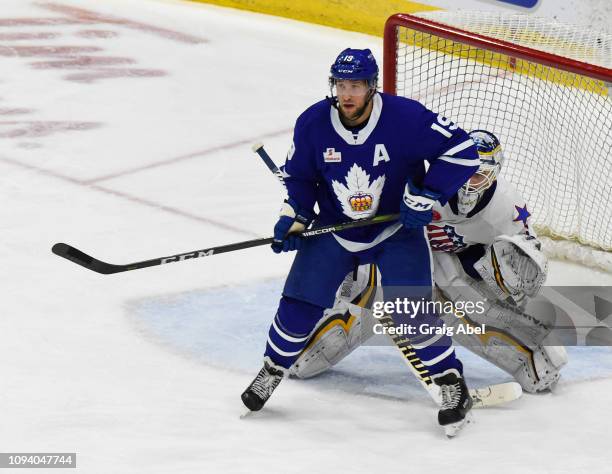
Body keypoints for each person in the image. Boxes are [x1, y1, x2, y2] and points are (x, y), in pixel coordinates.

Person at [241, 48, 480, 436]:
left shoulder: (405, 117)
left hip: (395, 231)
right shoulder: (313, 122)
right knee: (299, 304)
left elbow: (462, 151)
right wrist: (294, 217)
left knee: (410, 312)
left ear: (372, 87)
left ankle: (452, 383)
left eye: (355, 85)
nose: (347, 93)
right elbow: (301, 179)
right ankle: (272, 370)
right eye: (341, 84)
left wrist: (425, 195)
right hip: (336, 228)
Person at [291, 130, 567, 394]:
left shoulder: (506, 208)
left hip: (453, 263)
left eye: (479, 177)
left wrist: (506, 278)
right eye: (464, 174)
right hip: (402, 251)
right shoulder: (425, 182)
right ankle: (305, 349)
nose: (467, 185)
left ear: (494, 175)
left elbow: (526, 267)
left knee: (462, 304)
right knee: (368, 290)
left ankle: (530, 352)